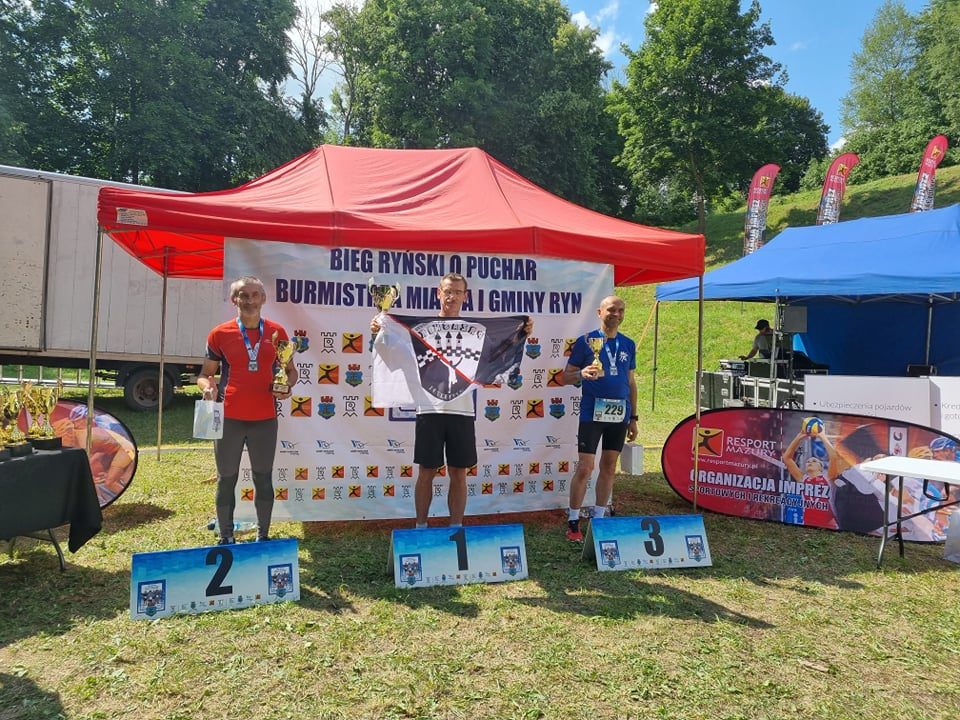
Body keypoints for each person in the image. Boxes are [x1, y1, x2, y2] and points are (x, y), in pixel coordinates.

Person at [371, 272, 532, 528]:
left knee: (459, 472)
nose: (452, 296)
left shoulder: (475, 332)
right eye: (447, 291)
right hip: (429, 409)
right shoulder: (419, 329)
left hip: (462, 411)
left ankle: (456, 529)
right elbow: (394, 350)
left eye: (457, 292)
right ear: (438, 293)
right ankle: (421, 527)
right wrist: (381, 330)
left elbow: (498, 352)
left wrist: (520, 332)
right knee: (426, 471)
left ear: (465, 297)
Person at [198, 276, 296, 545]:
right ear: (234, 300)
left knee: (263, 478)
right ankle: (226, 536)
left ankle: (263, 536)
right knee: (226, 478)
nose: (249, 300)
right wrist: (207, 387)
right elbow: (205, 374)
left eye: (254, 295)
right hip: (229, 418)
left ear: (263, 299)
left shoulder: (277, 333)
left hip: (264, 419)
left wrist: (286, 386)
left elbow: (290, 371)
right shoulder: (219, 334)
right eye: (243, 295)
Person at [562, 295, 638, 542]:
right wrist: (582, 374)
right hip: (591, 413)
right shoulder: (585, 342)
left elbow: (631, 382)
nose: (616, 314)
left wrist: (634, 417)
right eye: (612, 310)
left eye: (621, 310)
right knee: (585, 467)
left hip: (619, 413)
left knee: (609, 467)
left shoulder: (628, 344)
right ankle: (573, 521)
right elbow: (565, 377)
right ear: (600, 312)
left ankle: (599, 520)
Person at [783, 430, 840, 529]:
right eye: (808, 461)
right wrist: (798, 437)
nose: (810, 462)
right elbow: (786, 458)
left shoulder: (828, 478)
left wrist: (822, 436)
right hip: (808, 522)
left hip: (829, 523)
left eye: (814, 461)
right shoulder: (803, 479)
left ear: (820, 467)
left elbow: (834, 457)